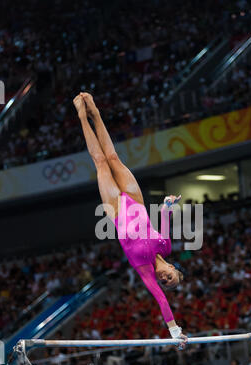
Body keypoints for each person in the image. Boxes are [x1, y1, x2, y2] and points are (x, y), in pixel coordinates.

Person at [73, 92, 187, 348]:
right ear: (172, 267)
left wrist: (175, 331)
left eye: (166, 283)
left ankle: (82, 116)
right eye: (171, 278)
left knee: (101, 162)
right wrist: (168, 206)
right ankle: (95, 111)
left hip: (116, 211)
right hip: (136, 202)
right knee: (113, 157)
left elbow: (162, 301)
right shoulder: (165, 247)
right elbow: (164, 221)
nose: (166, 281)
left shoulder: (146, 271)